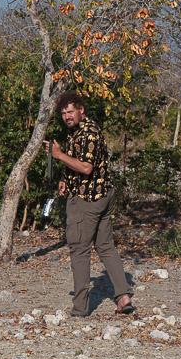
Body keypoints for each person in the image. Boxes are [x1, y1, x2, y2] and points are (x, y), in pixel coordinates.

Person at [45, 91, 133, 317]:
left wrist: (58, 155)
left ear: (81, 109)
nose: (67, 116)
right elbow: (80, 164)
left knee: (79, 249)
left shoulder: (88, 134)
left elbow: (86, 167)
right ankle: (123, 296)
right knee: (105, 246)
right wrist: (65, 179)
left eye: (70, 111)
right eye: (63, 113)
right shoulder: (81, 131)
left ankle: (80, 308)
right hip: (103, 195)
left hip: (87, 199)